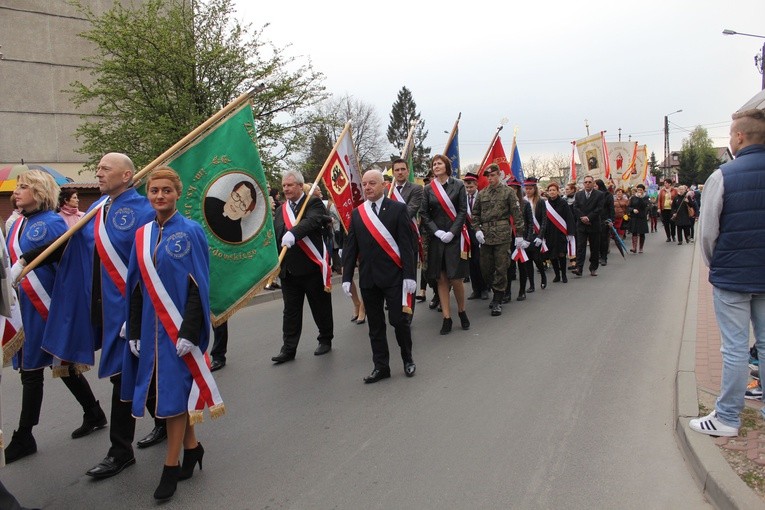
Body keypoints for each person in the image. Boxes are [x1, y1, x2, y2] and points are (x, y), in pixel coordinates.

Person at [24, 153, 166, 478]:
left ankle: (120, 451)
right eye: (98, 168)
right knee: (135, 374)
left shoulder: (145, 210)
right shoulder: (98, 209)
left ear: (127, 175)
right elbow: (67, 245)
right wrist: (26, 262)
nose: (98, 173)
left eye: (105, 169)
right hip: (105, 308)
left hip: (134, 311)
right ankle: (166, 422)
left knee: (123, 375)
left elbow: (154, 263)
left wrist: (140, 311)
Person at [121, 167, 221, 501]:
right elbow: (136, 285)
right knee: (166, 392)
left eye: (166, 190)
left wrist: (190, 331)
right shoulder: (142, 234)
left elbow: (199, 286)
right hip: (150, 330)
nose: (159, 196)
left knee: (172, 397)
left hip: (178, 331)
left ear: (177, 193)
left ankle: (170, 466)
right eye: (154, 191)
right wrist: (133, 327)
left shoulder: (191, 231)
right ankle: (192, 449)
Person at [4, 170, 105, 463]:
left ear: (39, 192)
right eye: (18, 187)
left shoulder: (50, 223)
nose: (17, 192)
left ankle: (24, 436)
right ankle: (93, 411)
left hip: (45, 305)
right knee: (62, 365)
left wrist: (25, 259)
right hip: (25, 306)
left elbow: (62, 251)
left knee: (32, 371)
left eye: (24, 187)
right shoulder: (19, 223)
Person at [690, 107, 765, 438]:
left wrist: (715, 265)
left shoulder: (722, 176)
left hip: (733, 277)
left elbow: (707, 233)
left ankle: (728, 418)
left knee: (735, 348)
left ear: (738, 136)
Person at [342, 169, 416, 383]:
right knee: (375, 326)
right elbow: (351, 248)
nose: (367, 187)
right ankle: (381, 366)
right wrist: (347, 277)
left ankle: (407, 359)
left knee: (399, 321)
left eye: (372, 183)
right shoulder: (358, 213)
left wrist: (410, 275)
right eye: (364, 184)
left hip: (393, 277)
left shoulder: (398, 209)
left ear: (383, 185)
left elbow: (406, 245)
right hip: (368, 279)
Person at [270, 170, 334, 363]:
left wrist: (294, 233)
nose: (286, 189)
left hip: (311, 267)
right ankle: (288, 349)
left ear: (300, 185)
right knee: (290, 311)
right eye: (284, 186)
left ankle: (325, 339)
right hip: (289, 270)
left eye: (290, 185)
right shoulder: (281, 210)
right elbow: (276, 233)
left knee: (320, 306)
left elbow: (311, 221)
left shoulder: (312, 203)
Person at [419, 155, 470, 334]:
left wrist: (452, 232)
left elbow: (463, 211)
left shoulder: (458, 185)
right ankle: (446, 317)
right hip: (437, 238)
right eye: (434, 164)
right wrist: (437, 231)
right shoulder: (427, 189)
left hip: (454, 237)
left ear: (447, 166)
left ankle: (462, 311)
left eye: (439, 163)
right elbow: (424, 214)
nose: (436, 166)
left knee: (456, 278)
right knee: (441, 278)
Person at [472, 166, 524, 316]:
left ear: (499, 176)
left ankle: (497, 299)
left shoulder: (508, 192)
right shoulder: (482, 194)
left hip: (502, 235)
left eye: (493, 175)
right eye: (488, 176)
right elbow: (475, 215)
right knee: (485, 268)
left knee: (501, 268)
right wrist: (477, 230)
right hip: (486, 236)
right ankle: (495, 290)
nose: (490, 178)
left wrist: (519, 234)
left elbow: (517, 214)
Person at [390, 157, 423, 321]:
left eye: (403, 169)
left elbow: (408, 212)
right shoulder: (387, 190)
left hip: (408, 239)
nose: (400, 172)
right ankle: (396, 308)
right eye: (397, 170)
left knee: (409, 277)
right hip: (390, 240)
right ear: (393, 172)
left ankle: (408, 312)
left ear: (407, 171)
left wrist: (389, 219)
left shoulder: (416, 189)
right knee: (394, 277)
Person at [572, 175, 605, 277]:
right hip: (582, 225)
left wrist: (589, 218)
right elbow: (575, 207)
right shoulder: (578, 195)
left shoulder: (599, 194)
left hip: (594, 224)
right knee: (580, 247)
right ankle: (579, 268)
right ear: (583, 184)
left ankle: (593, 267)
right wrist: (582, 217)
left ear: (593, 183)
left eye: (589, 182)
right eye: (585, 182)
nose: (587, 184)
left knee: (594, 248)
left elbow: (599, 208)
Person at [542, 182, 575, 284]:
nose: (552, 192)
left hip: (561, 232)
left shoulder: (563, 203)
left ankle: (564, 275)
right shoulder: (545, 204)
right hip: (549, 233)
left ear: (557, 191)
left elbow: (569, 217)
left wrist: (570, 232)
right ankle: (557, 275)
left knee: (561, 254)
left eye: (554, 190)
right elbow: (543, 219)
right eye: (550, 190)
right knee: (552, 255)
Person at [463, 172, 489, 300]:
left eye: (471, 187)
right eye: (467, 187)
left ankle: (485, 288)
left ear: (476, 185)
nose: (469, 190)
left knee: (481, 263)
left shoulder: (483, 197)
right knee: (471, 264)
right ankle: (476, 289)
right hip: (468, 236)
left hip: (481, 234)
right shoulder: (464, 199)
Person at [523, 177, 548, 291]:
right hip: (526, 235)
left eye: (530, 188)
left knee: (537, 259)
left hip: (536, 234)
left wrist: (540, 236)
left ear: (535, 189)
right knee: (527, 260)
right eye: (526, 188)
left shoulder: (540, 201)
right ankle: (531, 284)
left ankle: (543, 276)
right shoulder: (522, 201)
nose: (528, 191)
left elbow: (544, 220)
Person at [595, 179, 614, 267]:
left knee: (603, 240)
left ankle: (604, 257)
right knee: (596, 240)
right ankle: (597, 256)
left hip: (604, 220)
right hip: (594, 220)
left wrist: (611, 220)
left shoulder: (607, 195)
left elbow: (611, 208)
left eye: (595, 186)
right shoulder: (593, 195)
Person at [626, 184, 649, 253]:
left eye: (641, 190)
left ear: (643, 190)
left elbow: (645, 205)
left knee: (642, 233)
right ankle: (634, 247)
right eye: (638, 190)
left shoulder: (646, 197)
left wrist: (640, 198)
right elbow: (629, 207)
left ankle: (641, 248)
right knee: (634, 232)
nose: (639, 191)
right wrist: (633, 210)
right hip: (634, 217)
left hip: (642, 217)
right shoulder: (633, 198)